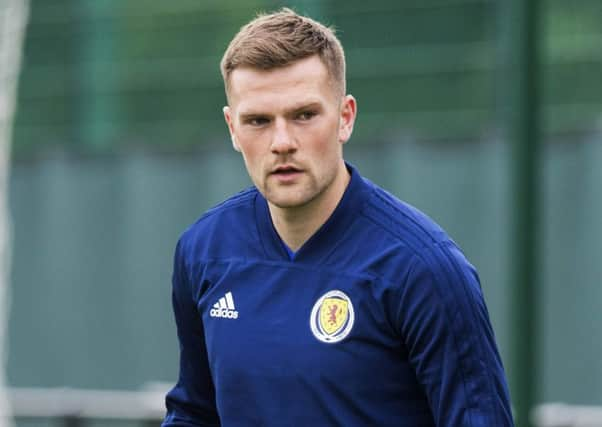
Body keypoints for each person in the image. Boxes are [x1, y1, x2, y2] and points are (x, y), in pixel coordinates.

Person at [162, 8, 513, 427]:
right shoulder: (203, 252)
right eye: (258, 121)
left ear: (345, 117)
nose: (282, 142)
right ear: (232, 128)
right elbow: (195, 412)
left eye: (304, 115)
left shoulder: (424, 270)